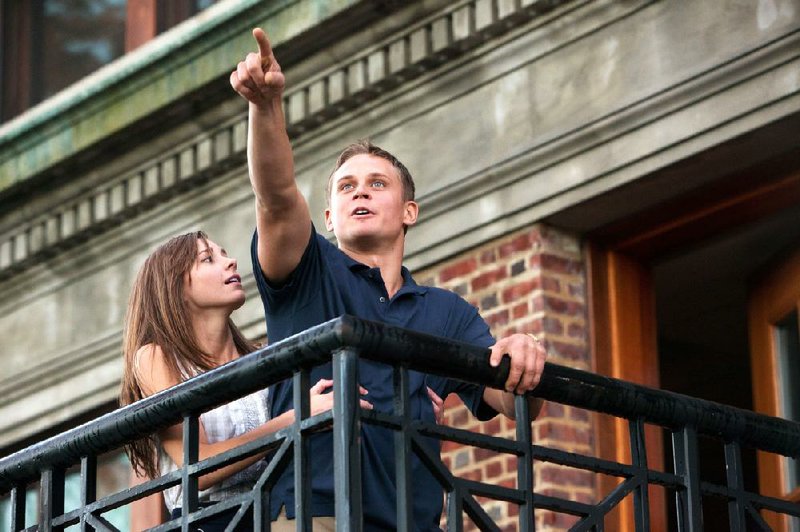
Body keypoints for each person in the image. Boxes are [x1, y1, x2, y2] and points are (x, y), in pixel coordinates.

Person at [230, 28, 547, 531]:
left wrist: (523, 355)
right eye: (346, 187)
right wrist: (265, 108)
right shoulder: (308, 271)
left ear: (408, 212)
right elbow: (276, 194)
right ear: (329, 216)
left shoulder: (447, 311)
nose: (361, 193)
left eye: (378, 184)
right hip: (316, 517)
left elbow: (506, 402)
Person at [119, 231, 373, 531]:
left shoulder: (263, 356)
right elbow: (197, 467)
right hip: (207, 521)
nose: (231, 262)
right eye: (208, 258)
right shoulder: (156, 357)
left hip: (274, 514)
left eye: (224, 253)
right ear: (175, 286)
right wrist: (295, 419)